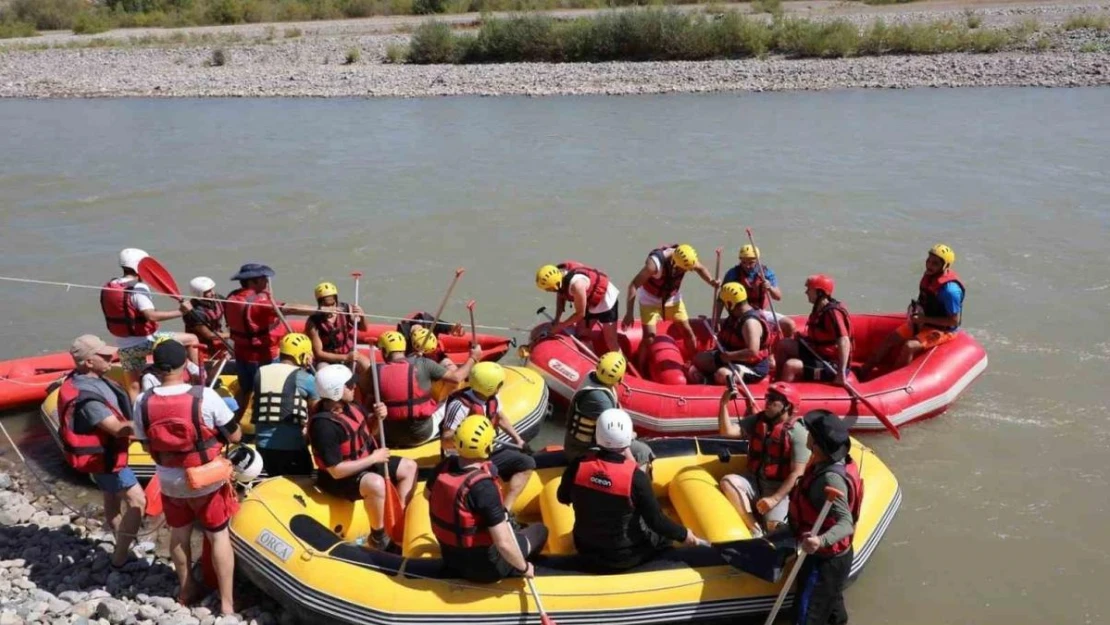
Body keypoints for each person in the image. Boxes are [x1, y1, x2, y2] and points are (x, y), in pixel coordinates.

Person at [131, 340, 240, 615]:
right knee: (218, 535)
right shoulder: (205, 396)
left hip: (169, 479)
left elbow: (145, 444)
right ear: (184, 365)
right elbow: (235, 435)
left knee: (179, 532)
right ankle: (227, 604)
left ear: (156, 368)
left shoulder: (143, 401)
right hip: (207, 478)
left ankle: (186, 588)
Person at [557, 409, 707, 571]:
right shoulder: (636, 478)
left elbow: (562, 497)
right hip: (624, 557)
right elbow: (657, 521)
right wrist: (684, 534)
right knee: (664, 539)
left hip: (585, 549)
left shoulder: (578, 466)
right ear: (628, 438)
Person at [56, 334, 145, 569]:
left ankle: (121, 542)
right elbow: (116, 429)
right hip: (106, 458)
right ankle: (121, 556)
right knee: (138, 501)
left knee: (111, 498)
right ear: (88, 362)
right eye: (103, 355)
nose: (110, 357)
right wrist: (152, 425)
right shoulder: (89, 400)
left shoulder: (88, 379)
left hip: (104, 457)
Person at [307, 364, 418, 553]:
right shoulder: (324, 426)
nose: (354, 387)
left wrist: (377, 418)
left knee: (410, 467)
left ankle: (396, 520)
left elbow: (367, 433)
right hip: (340, 480)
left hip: (364, 463)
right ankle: (378, 536)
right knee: (375, 483)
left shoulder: (351, 406)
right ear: (335, 392)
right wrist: (373, 459)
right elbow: (336, 471)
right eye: (348, 385)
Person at [426, 415, 549, 583]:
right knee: (540, 531)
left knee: (506, 529)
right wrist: (524, 568)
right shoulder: (483, 488)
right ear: (488, 446)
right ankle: (518, 570)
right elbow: (503, 543)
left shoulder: (443, 467)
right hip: (486, 568)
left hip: (450, 558)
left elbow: (427, 495)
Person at [789, 410, 863, 625]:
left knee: (806, 616)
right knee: (832, 612)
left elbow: (846, 523)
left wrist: (820, 541)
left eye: (809, 433)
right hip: (840, 556)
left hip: (823, 560)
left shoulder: (830, 479)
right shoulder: (834, 461)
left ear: (817, 445)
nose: (806, 435)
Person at [436, 362, 535, 516]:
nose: (501, 385)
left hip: (487, 452)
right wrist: (468, 438)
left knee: (527, 463)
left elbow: (500, 418)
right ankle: (489, 515)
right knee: (491, 472)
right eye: (499, 383)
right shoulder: (460, 405)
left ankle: (505, 512)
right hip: (463, 458)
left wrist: (518, 439)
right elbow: (445, 439)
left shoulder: (493, 397)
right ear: (490, 385)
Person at [101, 247, 199, 399]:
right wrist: (181, 312)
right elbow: (151, 316)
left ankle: (136, 416)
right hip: (148, 343)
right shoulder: (139, 288)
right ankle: (197, 381)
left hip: (124, 347)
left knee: (133, 386)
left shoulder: (110, 285)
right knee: (192, 338)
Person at [716, 381, 809, 536]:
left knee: (775, 528)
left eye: (773, 399)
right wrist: (724, 403)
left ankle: (769, 528)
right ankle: (755, 529)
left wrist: (773, 499)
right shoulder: (759, 420)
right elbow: (727, 431)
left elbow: (797, 473)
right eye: (767, 397)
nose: (767, 402)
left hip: (778, 489)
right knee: (728, 481)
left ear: (787, 406)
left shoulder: (798, 433)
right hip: (753, 480)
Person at [860, 244, 966, 378]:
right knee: (890, 339)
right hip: (922, 321)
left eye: (935, 263)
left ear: (945, 266)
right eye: (929, 260)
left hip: (943, 329)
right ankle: (863, 372)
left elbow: (953, 321)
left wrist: (923, 320)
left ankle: (895, 380)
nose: (929, 265)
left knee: (909, 346)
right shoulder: (930, 276)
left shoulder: (950, 291)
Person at [374, 331, 481, 449]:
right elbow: (457, 378)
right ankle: (448, 431)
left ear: (384, 352)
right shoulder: (424, 364)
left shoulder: (376, 372)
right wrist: (473, 358)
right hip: (423, 434)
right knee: (448, 396)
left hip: (390, 436)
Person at [224, 263, 312, 401]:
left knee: (245, 389)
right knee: (268, 391)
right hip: (263, 356)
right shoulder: (258, 303)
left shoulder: (232, 297)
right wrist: (320, 310)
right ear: (253, 281)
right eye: (263, 278)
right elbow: (290, 308)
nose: (266, 281)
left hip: (241, 353)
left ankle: (236, 419)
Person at [622, 243, 719, 358]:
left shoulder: (688, 259)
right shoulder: (654, 264)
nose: (686, 271)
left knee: (688, 332)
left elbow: (700, 269)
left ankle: (695, 362)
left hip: (672, 298)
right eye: (683, 269)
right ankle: (641, 364)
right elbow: (633, 285)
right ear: (674, 263)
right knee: (649, 337)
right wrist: (629, 313)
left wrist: (711, 281)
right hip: (650, 299)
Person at [563, 352, 653, 469]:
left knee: (635, 445)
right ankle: (634, 484)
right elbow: (614, 438)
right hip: (583, 451)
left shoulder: (594, 377)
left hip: (592, 443)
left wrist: (629, 434)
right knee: (643, 452)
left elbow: (617, 406)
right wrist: (633, 467)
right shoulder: (600, 400)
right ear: (620, 377)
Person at [252, 333, 319, 476]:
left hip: (261, 447)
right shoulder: (306, 379)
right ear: (302, 356)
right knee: (306, 475)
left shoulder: (260, 372)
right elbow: (316, 411)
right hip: (292, 448)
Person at [776, 275, 853, 385]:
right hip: (819, 353)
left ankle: (781, 395)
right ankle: (777, 380)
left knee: (791, 365)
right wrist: (806, 339)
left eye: (809, 289)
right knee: (783, 344)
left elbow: (844, 341)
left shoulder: (832, 313)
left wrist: (841, 373)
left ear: (820, 293)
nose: (806, 292)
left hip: (832, 364)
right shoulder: (819, 308)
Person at [692, 282, 773, 385]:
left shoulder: (750, 323)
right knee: (699, 359)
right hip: (732, 358)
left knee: (722, 374)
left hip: (753, 366)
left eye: (724, 303)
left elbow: (752, 352)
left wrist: (729, 356)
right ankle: (709, 379)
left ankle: (712, 381)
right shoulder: (736, 315)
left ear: (730, 304)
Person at [535, 261, 621, 354]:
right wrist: (557, 319)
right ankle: (589, 360)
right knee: (582, 334)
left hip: (606, 302)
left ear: (556, 284)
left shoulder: (577, 285)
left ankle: (622, 362)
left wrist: (560, 327)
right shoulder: (560, 278)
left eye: (548, 289)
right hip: (587, 300)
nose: (547, 291)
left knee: (611, 342)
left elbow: (580, 314)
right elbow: (561, 296)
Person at [720, 244, 796, 337]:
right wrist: (716, 320)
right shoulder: (733, 274)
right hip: (740, 313)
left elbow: (778, 297)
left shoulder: (766, 273)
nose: (747, 266)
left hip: (760, 311)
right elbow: (721, 299)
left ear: (757, 260)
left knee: (789, 324)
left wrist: (770, 288)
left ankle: (785, 348)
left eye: (751, 262)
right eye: (744, 262)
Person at [304, 281, 371, 370]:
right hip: (328, 358)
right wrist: (345, 357)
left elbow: (364, 328)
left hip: (348, 352)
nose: (331, 308)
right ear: (319, 304)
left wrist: (362, 316)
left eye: (333, 304)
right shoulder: (313, 322)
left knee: (366, 365)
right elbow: (319, 353)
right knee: (322, 369)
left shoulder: (346, 309)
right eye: (326, 305)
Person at [182, 276, 229, 357]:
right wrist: (231, 335)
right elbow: (209, 335)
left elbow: (231, 314)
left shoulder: (218, 299)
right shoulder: (194, 312)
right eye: (208, 291)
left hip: (219, 339)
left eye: (212, 289)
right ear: (199, 294)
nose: (213, 293)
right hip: (201, 345)